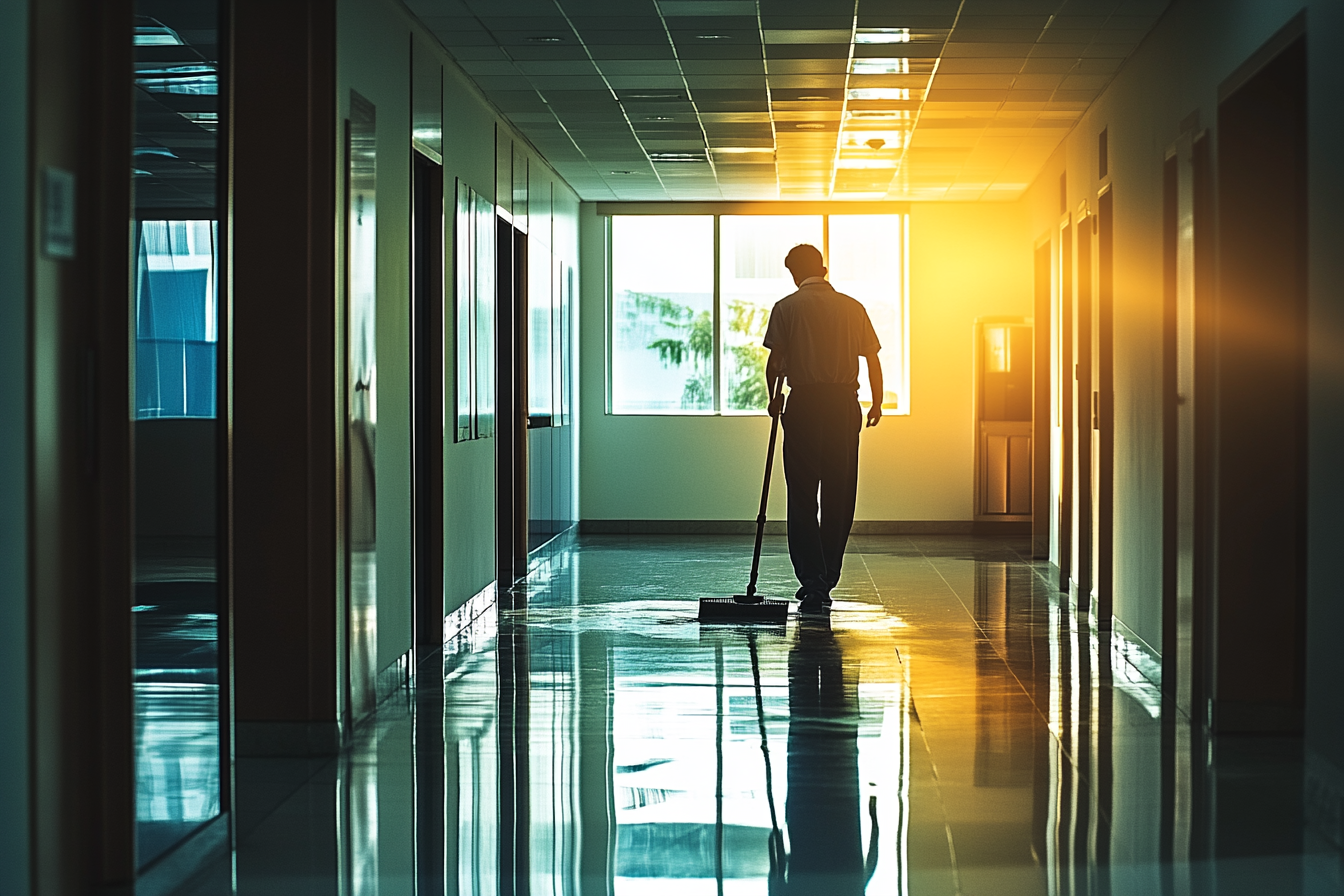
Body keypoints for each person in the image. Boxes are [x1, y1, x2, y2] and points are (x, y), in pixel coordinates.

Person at [763, 244, 882, 616]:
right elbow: (872, 357)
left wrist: (774, 398)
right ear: (824, 269)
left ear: (795, 274)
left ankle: (811, 580)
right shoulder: (852, 307)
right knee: (839, 492)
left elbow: (774, 362)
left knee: (801, 494)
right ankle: (828, 577)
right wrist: (877, 402)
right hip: (843, 405)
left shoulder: (786, 307)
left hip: (804, 405)